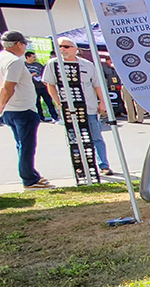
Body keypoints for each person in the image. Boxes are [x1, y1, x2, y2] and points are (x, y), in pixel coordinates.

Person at [43, 38, 113, 175]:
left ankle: (103, 165)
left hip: (90, 107)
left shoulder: (87, 65)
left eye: (66, 46)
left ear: (75, 49)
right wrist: (58, 102)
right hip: (69, 108)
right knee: (75, 139)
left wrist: (102, 102)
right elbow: (49, 84)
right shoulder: (53, 64)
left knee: (96, 137)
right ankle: (81, 165)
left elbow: (97, 84)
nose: (62, 49)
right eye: (59, 47)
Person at [0, 30, 52, 189]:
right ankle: (29, 178)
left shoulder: (3, 57)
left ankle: (30, 173)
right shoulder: (13, 61)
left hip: (13, 109)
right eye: (24, 43)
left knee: (22, 144)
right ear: (18, 44)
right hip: (21, 109)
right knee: (26, 145)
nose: (25, 47)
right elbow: (8, 87)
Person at [24, 51, 58, 122]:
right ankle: (40, 117)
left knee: (49, 102)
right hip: (33, 87)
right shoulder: (24, 66)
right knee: (37, 103)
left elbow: (44, 73)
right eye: (33, 57)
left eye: (35, 57)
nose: (35, 58)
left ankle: (55, 117)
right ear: (27, 57)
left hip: (42, 86)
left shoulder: (38, 65)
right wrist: (31, 75)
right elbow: (22, 77)